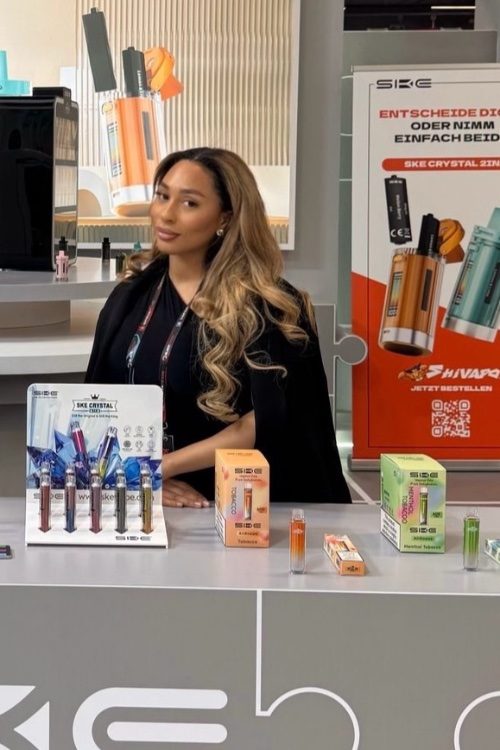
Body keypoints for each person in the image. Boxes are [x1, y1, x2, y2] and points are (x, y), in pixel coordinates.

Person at [85, 147, 351, 507]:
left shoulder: (267, 306)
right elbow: (97, 406)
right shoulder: (129, 299)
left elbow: (265, 421)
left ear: (225, 217)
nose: (166, 213)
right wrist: (138, 477)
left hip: (237, 502)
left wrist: (157, 470)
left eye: (189, 203)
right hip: (139, 492)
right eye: (162, 196)